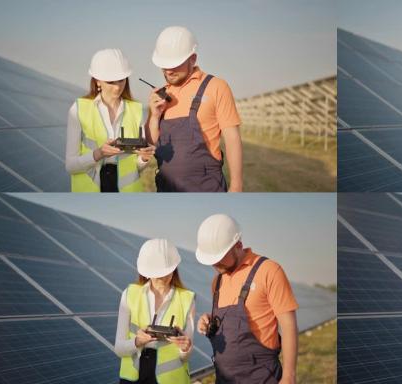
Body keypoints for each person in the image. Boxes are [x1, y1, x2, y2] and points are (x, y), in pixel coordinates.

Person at [194, 214, 298, 384]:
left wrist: (288, 377)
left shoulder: (269, 271)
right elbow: (230, 323)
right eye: (212, 260)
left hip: (263, 377)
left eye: (220, 257)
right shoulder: (217, 281)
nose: (216, 264)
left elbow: (289, 327)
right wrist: (209, 320)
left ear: (238, 245)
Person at [146, 26, 243, 192]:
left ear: (193, 59)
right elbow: (150, 143)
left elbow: (232, 138)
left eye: (175, 64)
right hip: (165, 187)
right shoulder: (161, 95)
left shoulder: (216, 87)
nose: (169, 70)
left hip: (205, 186)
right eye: (164, 65)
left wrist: (237, 185)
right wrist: (154, 117)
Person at [66, 48, 154, 192]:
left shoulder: (136, 110)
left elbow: (136, 166)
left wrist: (144, 159)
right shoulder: (79, 109)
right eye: (110, 82)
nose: (117, 87)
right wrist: (98, 154)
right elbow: (70, 166)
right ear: (97, 81)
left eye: (121, 80)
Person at [114, 238, 195, 384]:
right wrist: (137, 342)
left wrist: (185, 348)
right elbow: (119, 348)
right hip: (132, 378)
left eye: (167, 272)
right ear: (146, 273)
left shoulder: (187, 299)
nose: (163, 278)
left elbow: (185, 357)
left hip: (171, 380)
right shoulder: (129, 294)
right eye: (158, 275)